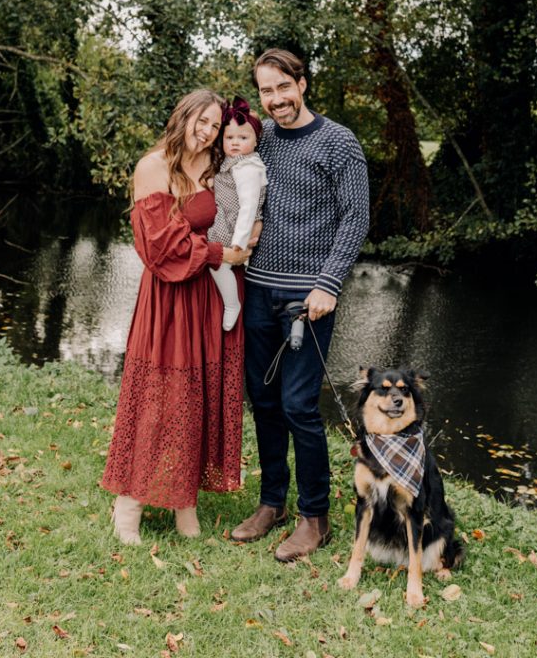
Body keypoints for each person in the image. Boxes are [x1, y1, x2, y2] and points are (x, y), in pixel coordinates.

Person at [231, 48, 369, 561]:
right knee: (263, 403)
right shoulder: (260, 141)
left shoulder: (338, 142)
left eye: (281, 88)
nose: (275, 100)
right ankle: (272, 504)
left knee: (298, 406)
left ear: (302, 84)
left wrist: (329, 283)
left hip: (307, 298)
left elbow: (355, 218)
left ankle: (315, 517)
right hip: (258, 290)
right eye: (265, 91)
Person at [101, 89, 250, 543]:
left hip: (208, 297)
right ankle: (129, 504)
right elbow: (160, 247)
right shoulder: (154, 167)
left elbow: (239, 206)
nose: (206, 132)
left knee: (199, 395)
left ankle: (186, 504)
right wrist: (222, 252)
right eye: (200, 122)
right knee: (159, 398)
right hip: (169, 298)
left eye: (214, 125)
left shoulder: (213, 167)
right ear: (183, 116)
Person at [209, 97, 267, 331]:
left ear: (255, 141)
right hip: (228, 216)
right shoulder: (234, 162)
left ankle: (232, 304)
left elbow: (249, 206)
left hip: (235, 223)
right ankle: (231, 302)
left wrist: (238, 243)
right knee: (216, 261)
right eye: (229, 138)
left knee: (216, 262)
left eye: (243, 138)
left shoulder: (248, 168)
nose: (235, 143)